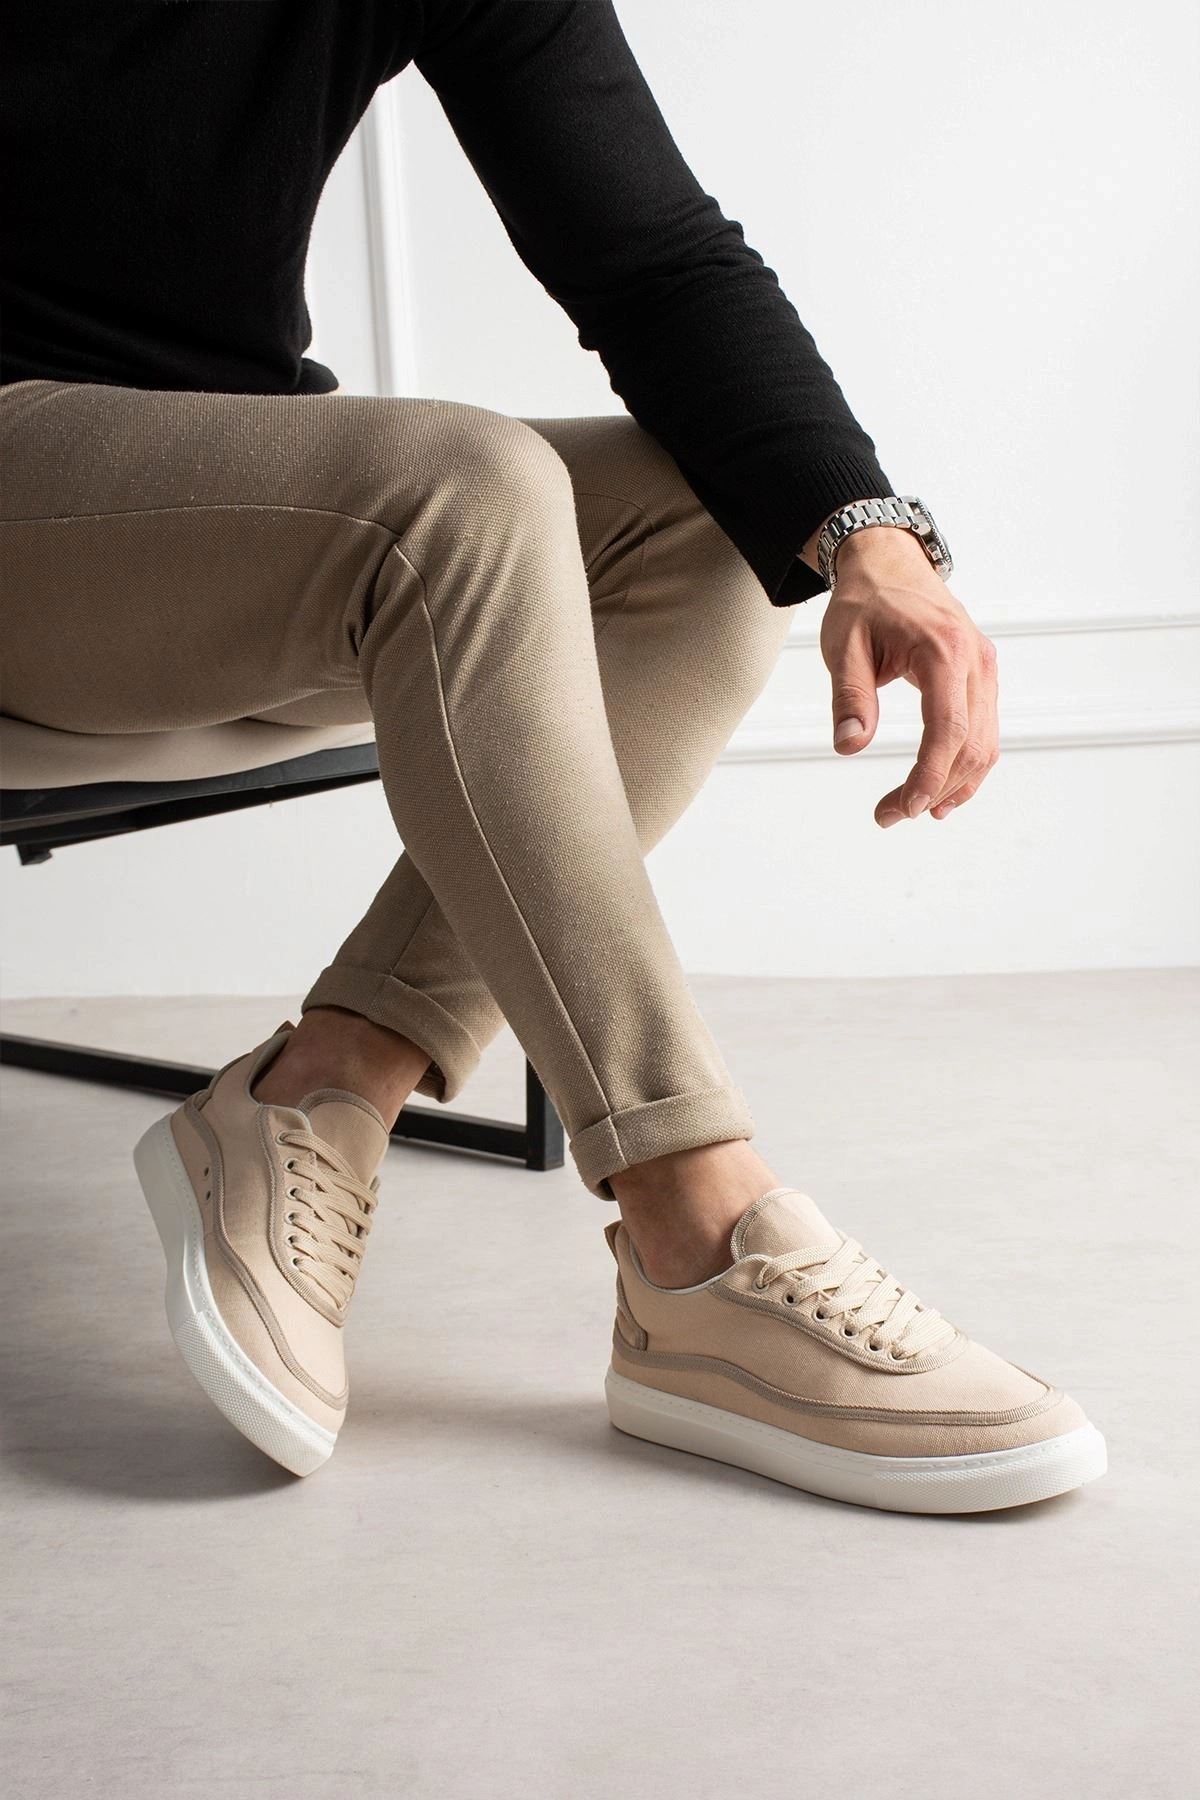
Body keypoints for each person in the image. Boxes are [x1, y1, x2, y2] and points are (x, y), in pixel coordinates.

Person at [0, 0, 1105, 1512]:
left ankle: (325, 1084)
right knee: (461, 487)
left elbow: (650, 252)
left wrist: (871, 536)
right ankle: (695, 1229)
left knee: (710, 530)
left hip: (200, 535)